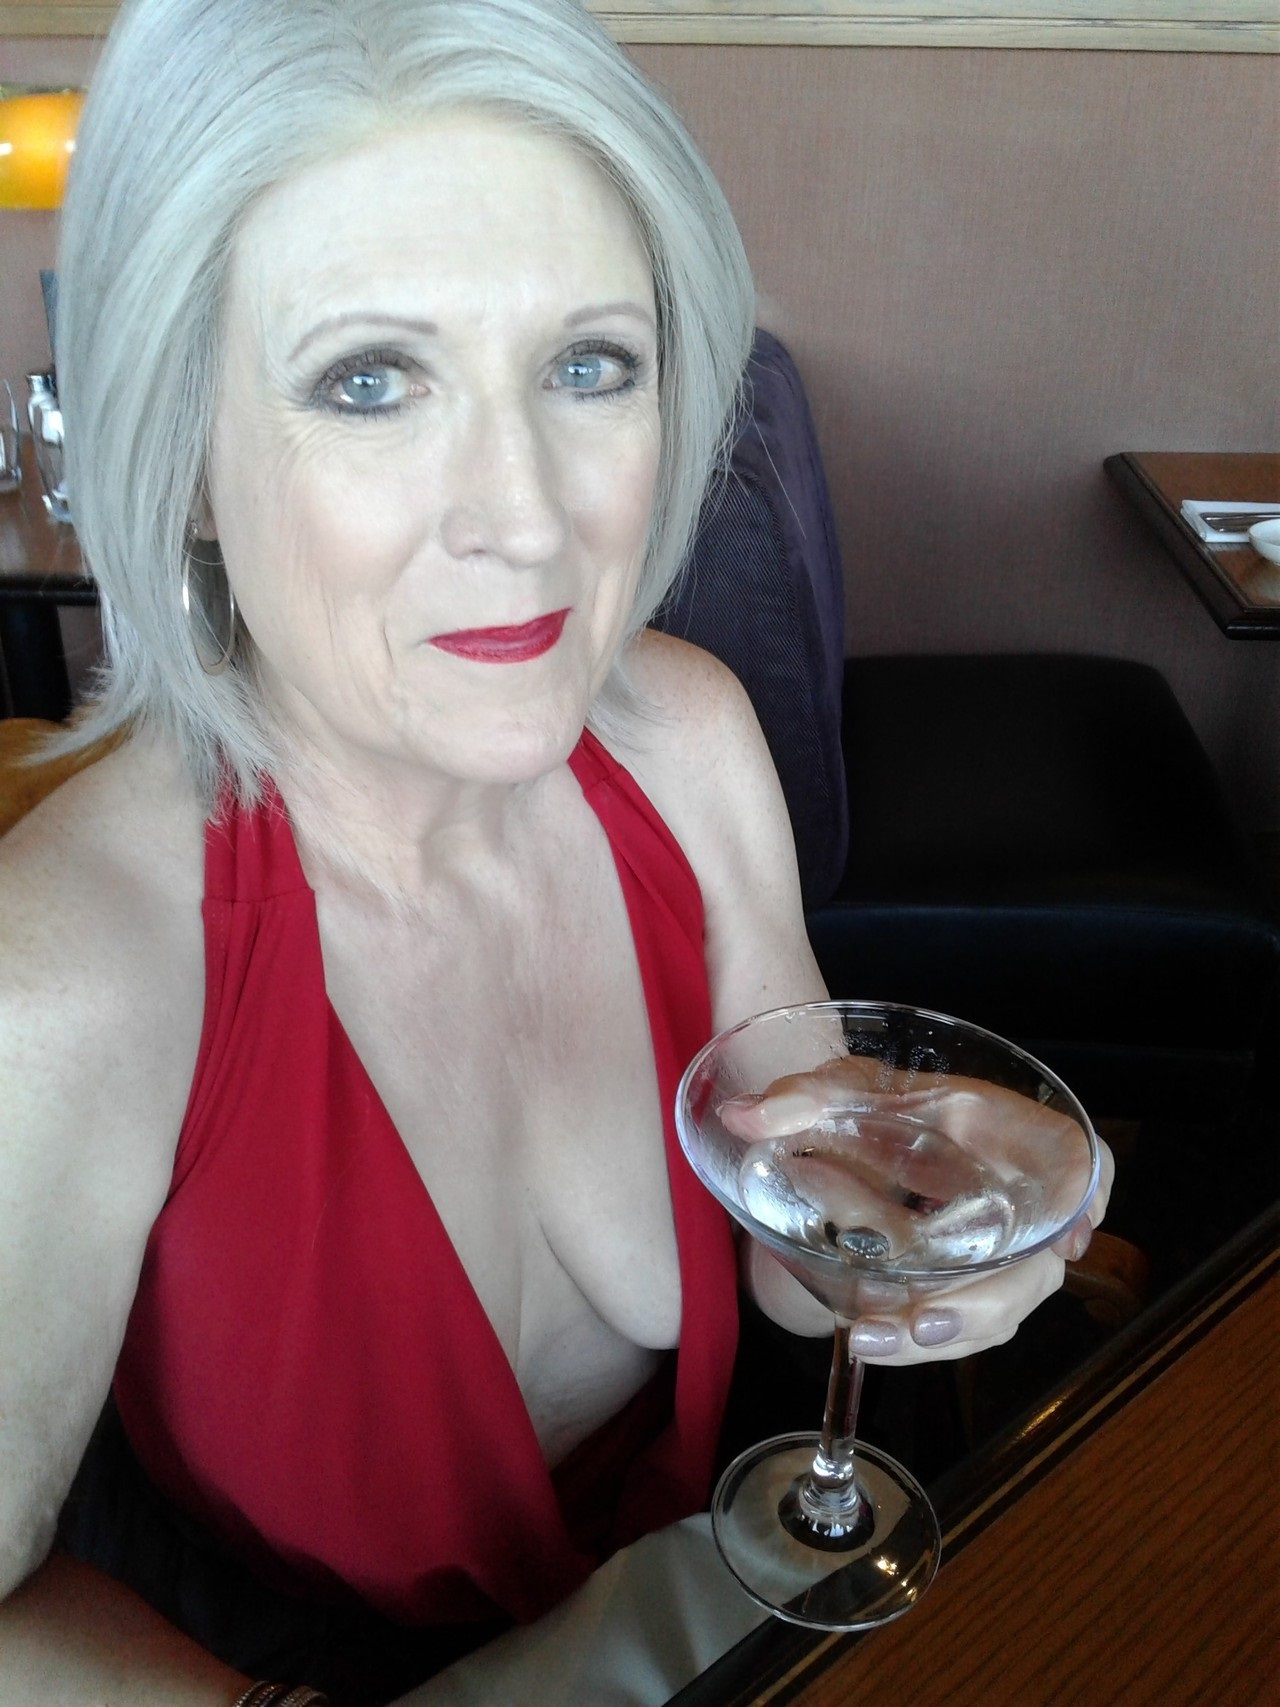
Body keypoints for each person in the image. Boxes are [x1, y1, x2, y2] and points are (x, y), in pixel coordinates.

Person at [0, 2, 1112, 1703]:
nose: (525, 516)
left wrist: (934, 1230)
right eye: (369, 381)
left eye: (589, 365)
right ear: (187, 457)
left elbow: (800, 1264)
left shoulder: (691, 744)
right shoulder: (76, 973)